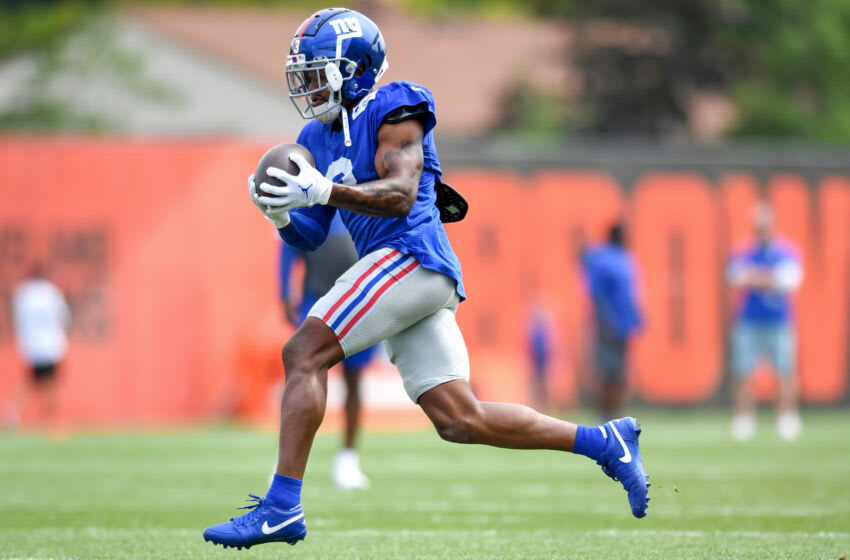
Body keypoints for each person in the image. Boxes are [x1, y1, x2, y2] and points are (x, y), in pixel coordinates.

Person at [203, 8, 650, 550]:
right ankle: (605, 442)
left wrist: (320, 190)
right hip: (401, 275)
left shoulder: (394, 108)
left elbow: (400, 194)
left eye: (318, 71)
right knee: (461, 419)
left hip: (411, 256)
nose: (309, 86)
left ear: (356, 68)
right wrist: (280, 214)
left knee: (303, 352)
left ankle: (281, 506)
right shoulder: (316, 137)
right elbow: (311, 237)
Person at [279, 213, 377, 490]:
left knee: (354, 380)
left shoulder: (363, 201)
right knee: (304, 376)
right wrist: (284, 291)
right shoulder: (311, 203)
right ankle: (288, 463)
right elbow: (289, 244)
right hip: (316, 299)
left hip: (359, 302)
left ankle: (348, 459)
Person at [726, 203, 803, 442]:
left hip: (779, 321)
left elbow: (790, 280)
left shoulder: (786, 251)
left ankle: (786, 417)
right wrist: (770, 278)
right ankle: (744, 418)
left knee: (784, 372)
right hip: (749, 320)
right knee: (743, 371)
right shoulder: (743, 251)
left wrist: (755, 277)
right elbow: (735, 276)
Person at [580, 223, 644, 422]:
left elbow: (630, 294)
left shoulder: (625, 258)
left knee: (619, 373)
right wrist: (605, 319)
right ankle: (603, 414)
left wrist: (636, 319)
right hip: (608, 326)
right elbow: (597, 293)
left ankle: (615, 414)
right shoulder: (604, 259)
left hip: (624, 326)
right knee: (606, 372)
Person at [5, 262, 71, 431]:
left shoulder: (23, 294)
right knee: (50, 384)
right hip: (50, 346)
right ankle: (51, 421)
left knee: (33, 381)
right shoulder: (50, 293)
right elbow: (64, 318)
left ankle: (12, 412)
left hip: (32, 346)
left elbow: (18, 320)